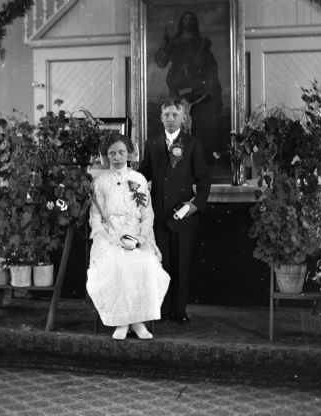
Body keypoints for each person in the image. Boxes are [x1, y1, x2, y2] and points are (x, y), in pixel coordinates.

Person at [86, 133, 170, 340]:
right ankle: (122, 322)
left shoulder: (138, 179)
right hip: (109, 237)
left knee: (147, 263)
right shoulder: (100, 181)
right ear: (106, 156)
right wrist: (110, 237)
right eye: (112, 153)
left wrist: (142, 236)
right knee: (115, 264)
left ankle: (138, 322)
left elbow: (147, 213)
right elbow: (95, 218)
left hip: (136, 236)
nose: (117, 157)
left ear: (128, 153)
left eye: (121, 152)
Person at [139, 98, 211, 324]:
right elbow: (143, 176)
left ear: (183, 118)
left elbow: (204, 179)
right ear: (161, 118)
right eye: (166, 115)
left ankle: (179, 310)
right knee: (162, 264)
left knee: (182, 264)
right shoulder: (152, 143)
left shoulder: (193, 144)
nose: (170, 119)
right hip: (159, 215)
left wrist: (195, 204)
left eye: (175, 115)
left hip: (183, 214)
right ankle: (161, 308)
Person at [154, 10, 223, 164]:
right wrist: (164, 47)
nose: (188, 22)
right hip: (178, 91)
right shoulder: (175, 42)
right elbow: (160, 63)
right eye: (185, 19)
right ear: (181, 23)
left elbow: (211, 70)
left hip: (199, 94)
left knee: (201, 131)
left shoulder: (202, 44)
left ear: (195, 23)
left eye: (190, 19)